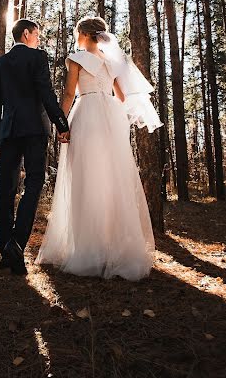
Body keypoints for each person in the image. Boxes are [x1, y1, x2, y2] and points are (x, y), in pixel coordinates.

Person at [36, 16, 162, 281]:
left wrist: (61, 123)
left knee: (85, 177)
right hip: (110, 118)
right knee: (111, 179)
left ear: (83, 33)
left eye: (76, 31)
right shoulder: (112, 60)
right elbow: (123, 97)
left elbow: (70, 94)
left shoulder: (77, 59)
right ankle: (112, 247)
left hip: (87, 114)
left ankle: (87, 249)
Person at [0, 18, 69, 275]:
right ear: (26, 34)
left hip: (9, 131)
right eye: (37, 34)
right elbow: (46, 93)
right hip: (34, 130)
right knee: (34, 183)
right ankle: (17, 244)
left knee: (5, 190)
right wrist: (61, 122)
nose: (39, 38)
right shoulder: (37, 58)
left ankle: (6, 248)